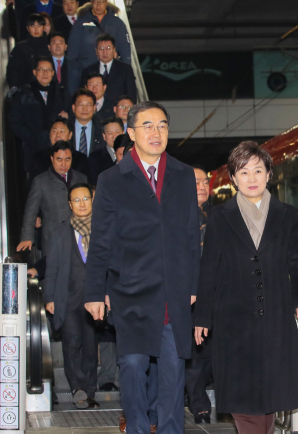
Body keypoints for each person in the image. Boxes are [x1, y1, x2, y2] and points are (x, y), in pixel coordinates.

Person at [84, 101, 201, 433]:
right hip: (130, 290)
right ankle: (136, 428)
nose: (156, 132)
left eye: (162, 125)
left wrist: (193, 285)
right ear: (131, 133)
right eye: (147, 126)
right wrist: (95, 291)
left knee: (172, 370)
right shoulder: (112, 179)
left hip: (173, 291)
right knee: (133, 366)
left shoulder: (182, 175)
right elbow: (101, 241)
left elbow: (192, 234)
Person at [194, 141, 298, 434]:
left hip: (275, 316)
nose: (251, 178)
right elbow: (209, 269)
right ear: (233, 178)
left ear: (269, 174)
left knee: (269, 401)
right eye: (243, 172)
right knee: (244, 403)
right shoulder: (220, 218)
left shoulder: (286, 215)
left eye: (257, 171)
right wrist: (202, 317)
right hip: (232, 320)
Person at [44, 182, 100, 410]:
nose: (82, 204)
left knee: (90, 347)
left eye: (85, 198)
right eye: (76, 200)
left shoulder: (103, 229)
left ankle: (90, 390)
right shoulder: (59, 233)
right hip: (68, 300)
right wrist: (49, 298)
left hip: (95, 301)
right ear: (69, 204)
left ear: (92, 200)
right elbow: (52, 269)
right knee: (71, 344)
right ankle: (77, 388)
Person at [17, 141, 88, 256]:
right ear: (52, 158)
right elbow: (31, 210)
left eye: (67, 159)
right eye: (59, 159)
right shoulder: (40, 181)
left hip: (79, 237)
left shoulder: (81, 178)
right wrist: (27, 236)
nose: (63, 164)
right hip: (52, 238)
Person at [185, 165, 212, 424]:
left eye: (205, 181)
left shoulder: (216, 217)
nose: (202, 186)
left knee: (210, 351)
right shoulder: (176, 217)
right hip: (188, 295)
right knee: (193, 352)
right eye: (196, 182)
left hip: (215, 293)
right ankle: (199, 403)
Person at [8, 56, 67, 172]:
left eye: (48, 70)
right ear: (34, 72)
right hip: (33, 148)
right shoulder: (24, 94)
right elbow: (14, 120)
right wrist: (31, 136)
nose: (45, 73)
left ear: (53, 73)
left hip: (58, 148)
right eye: (41, 70)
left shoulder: (61, 93)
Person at [67, 0, 131, 69]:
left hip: (111, 69)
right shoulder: (81, 22)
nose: (98, 5)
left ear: (106, 3)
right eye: (95, 2)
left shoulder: (117, 23)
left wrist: (126, 71)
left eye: (101, 2)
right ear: (91, 2)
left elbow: (125, 48)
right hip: (87, 68)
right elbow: (72, 49)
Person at [79, 34, 137, 104]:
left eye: (108, 48)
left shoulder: (125, 69)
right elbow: (82, 94)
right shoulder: (88, 70)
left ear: (114, 50)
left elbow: (132, 94)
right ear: (96, 51)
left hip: (117, 110)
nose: (105, 52)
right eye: (101, 48)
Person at [7, 14, 50, 89]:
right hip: (25, 89)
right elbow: (12, 70)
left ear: (43, 28)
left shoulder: (49, 47)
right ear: (28, 28)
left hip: (48, 89)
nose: (36, 30)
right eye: (33, 26)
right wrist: (14, 86)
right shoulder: (20, 48)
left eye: (39, 26)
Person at [69, 88, 107, 156]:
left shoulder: (103, 127)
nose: (84, 109)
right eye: (80, 105)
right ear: (73, 108)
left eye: (88, 105)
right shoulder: (66, 127)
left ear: (94, 108)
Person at [87, 117, 122, 184]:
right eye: (110, 133)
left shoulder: (131, 155)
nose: (114, 136)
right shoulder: (94, 157)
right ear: (104, 136)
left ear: (123, 133)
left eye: (117, 132)